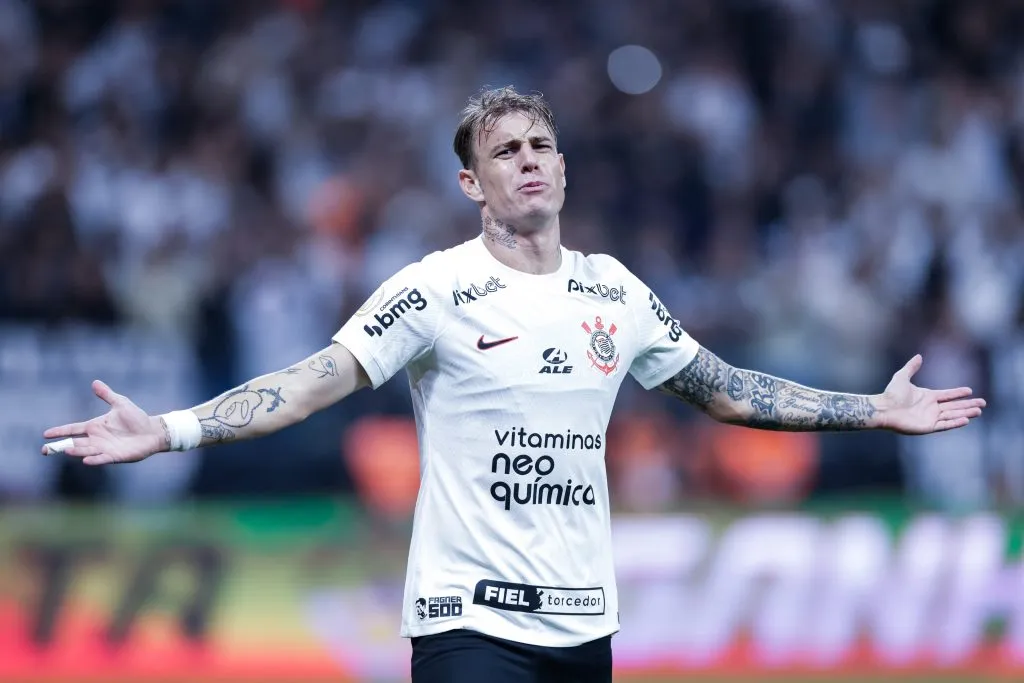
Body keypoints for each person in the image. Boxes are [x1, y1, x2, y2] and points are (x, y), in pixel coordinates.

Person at [41, 86, 986, 683]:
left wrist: (873, 408)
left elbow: (727, 389)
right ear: (470, 184)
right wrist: (170, 429)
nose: (528, 160)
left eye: (540, 146)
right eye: (505, 152)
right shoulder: (433, 287)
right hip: (467, 624)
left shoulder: (612, 290)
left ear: (564, 167)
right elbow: (310, 381)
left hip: (584, 622)